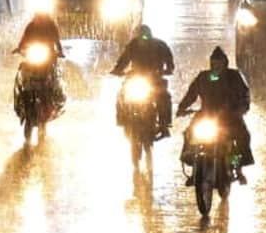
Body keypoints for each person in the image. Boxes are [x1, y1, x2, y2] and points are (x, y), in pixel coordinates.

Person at [177, 46, 254, 183]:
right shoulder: (203, 77)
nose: (216, 66)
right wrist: (182, 107)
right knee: (189, 133)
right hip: (206, 116)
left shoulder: (234, 76)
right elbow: (191, 94)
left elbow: (244, 94)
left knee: (242, 137)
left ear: (225, 63)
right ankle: (194, 167)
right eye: (214, 63)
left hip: (230, 116)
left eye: (219, 63)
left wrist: (242, 108)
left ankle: (238, 168)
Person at [109, 23, 175, 138]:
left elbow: (169, 61)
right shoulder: (133, 45)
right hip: (135, 78)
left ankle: (164, 125)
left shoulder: (160, 45)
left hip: (155, 79)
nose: (144, 39)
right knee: (122, 94)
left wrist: (167, 70)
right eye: (141, 36)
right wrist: (117, 70)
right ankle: (122, 119)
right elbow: (124, 60)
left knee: (164, 98)